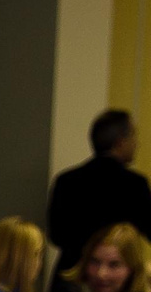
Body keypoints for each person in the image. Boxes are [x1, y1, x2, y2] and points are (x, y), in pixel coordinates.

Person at [46, 109, 151, 274]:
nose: (136, 144)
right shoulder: (134, 184)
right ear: (120, 142)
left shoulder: (66, 180)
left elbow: (56, 236)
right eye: (133, 136)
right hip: (116, 276)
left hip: (72, 273)